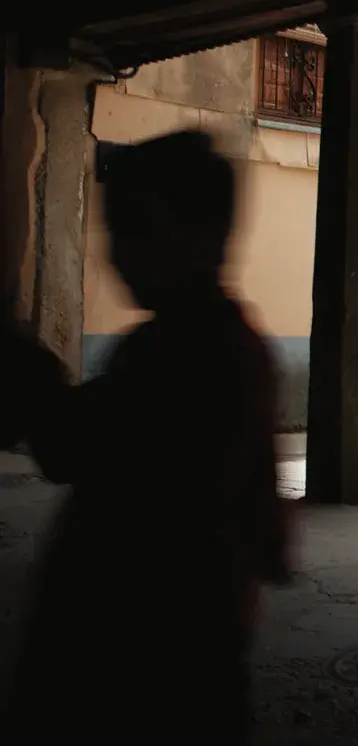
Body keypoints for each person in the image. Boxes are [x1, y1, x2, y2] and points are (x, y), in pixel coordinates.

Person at [0, 129, 291, 743]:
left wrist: (28, 373)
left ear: (202, 234)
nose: (117, 253)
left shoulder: (190, 356)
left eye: (137, 227)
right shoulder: (217, 344)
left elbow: (71, 446)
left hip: (153, 656)